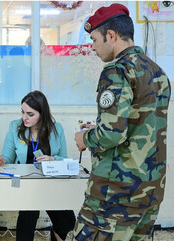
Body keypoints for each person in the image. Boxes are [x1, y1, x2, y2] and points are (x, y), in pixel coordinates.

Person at [73, 3, 171, 241]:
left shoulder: (116, 71)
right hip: (150, 188)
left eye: (94, 39)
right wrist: (102, 128)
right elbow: (139, 124)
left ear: (111, 35)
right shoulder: (158, 73)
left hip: (115, 192)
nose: (93, 47)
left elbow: (112, 134)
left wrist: (84, 138)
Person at [0, 90, 75, 241]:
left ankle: (54, 234)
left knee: (67, 221)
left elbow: (64, 158)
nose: (25, 117)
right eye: (22, 112)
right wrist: (1, 161)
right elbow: (8, 157)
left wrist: (52, 159)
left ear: (42, 113)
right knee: (28, 218)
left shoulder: (57, 129)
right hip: (27, 184)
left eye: (30, 114)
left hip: (51, 182)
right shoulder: (14, 127)